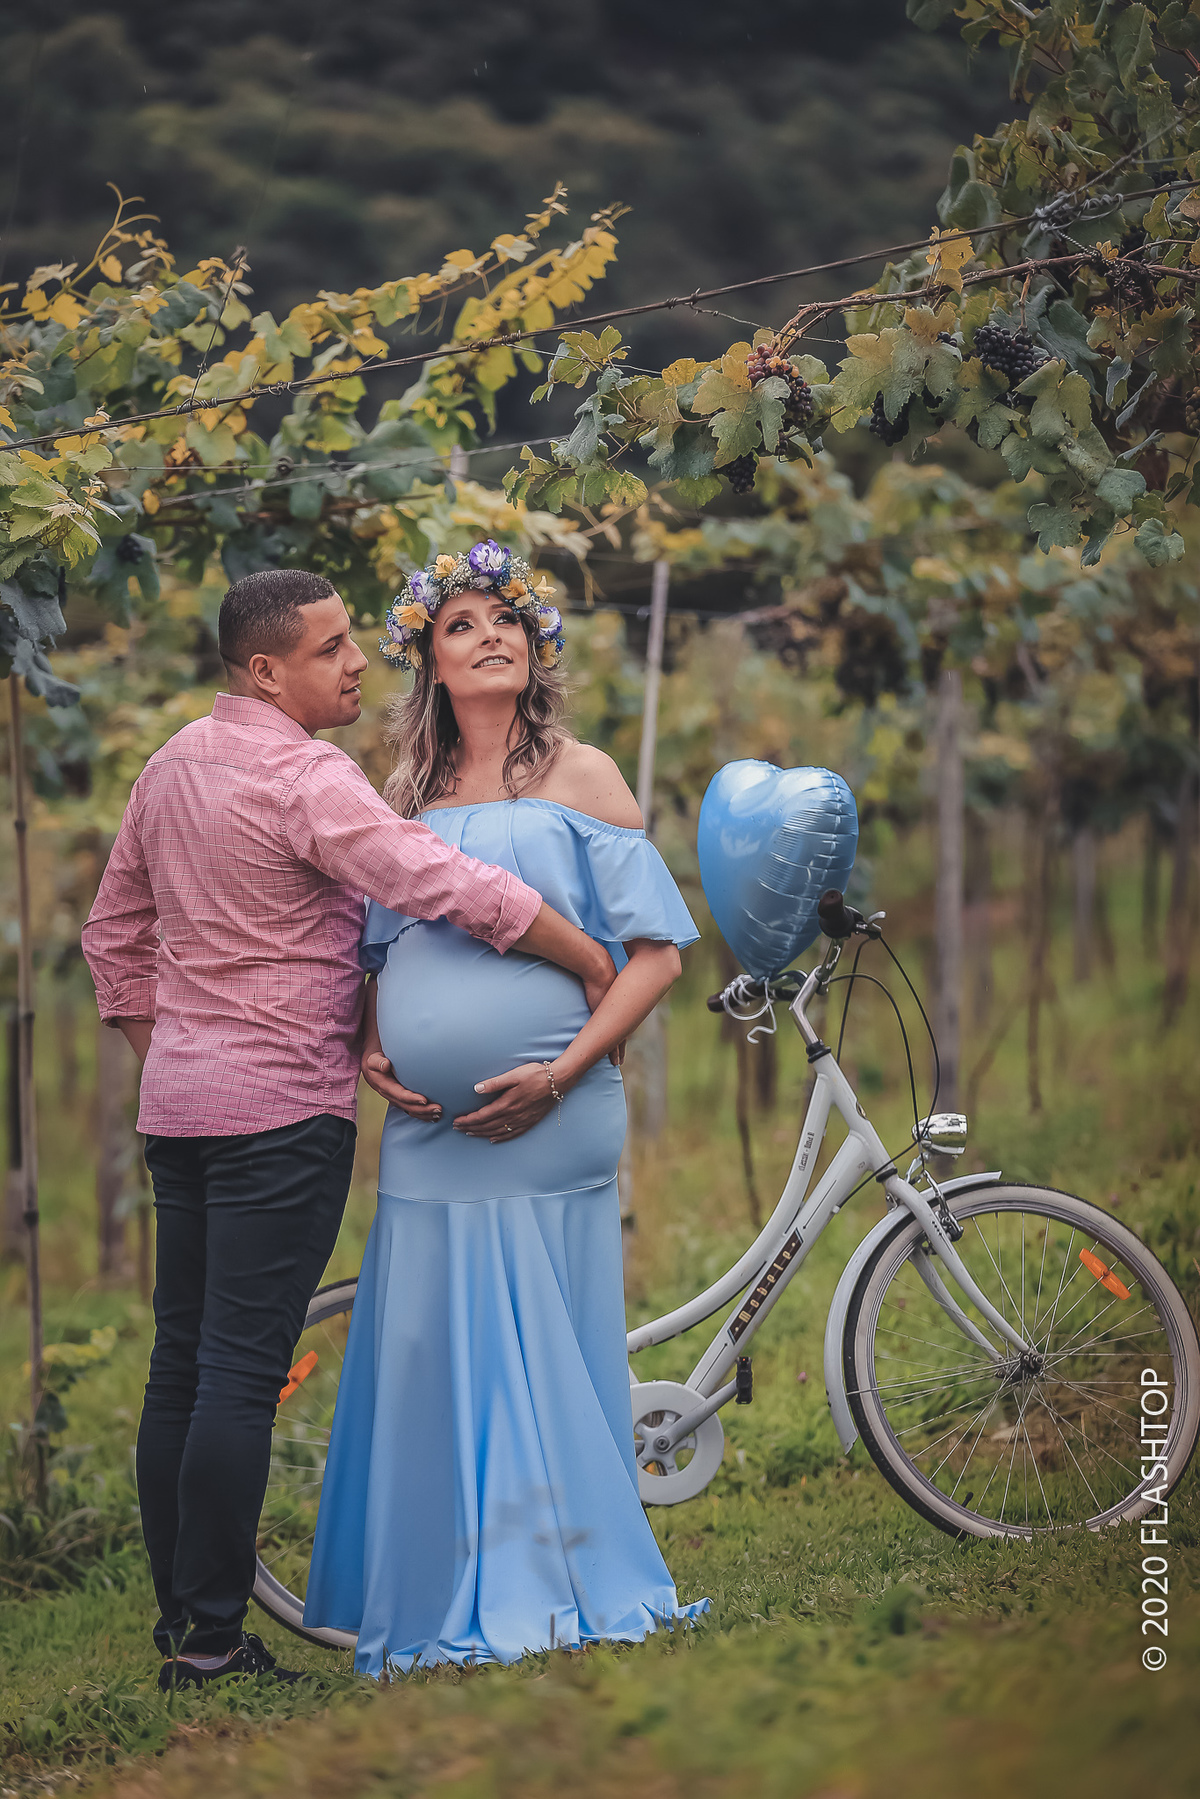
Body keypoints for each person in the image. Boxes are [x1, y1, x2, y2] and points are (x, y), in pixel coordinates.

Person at [81, 567, 618, 1691]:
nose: (357, 661)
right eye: (330, 649)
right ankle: (214, 1642)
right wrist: (574, 950)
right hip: (279, 1115)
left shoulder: (172, 760)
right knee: (236, 1370)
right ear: (268, 670)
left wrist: (171, 1052)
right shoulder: (307, 774)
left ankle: (186, 1623)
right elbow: (426, 874)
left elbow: (112, 935)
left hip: (181, 1111)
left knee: (179, 1364)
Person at [303, 541, 708, 1675]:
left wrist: (562, 1071)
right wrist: (377, 1038)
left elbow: (655, 959)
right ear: (428, 660)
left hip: (557, 1112)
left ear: (536, 650)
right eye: (461, 624)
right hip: (429, 1130)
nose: (489, 636)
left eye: (507, 622)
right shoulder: (404, 798)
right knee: (432, 1337)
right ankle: (442, 1574)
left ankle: (561, 1565)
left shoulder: (586, 777)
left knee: (546, 1336)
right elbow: (381, 948)